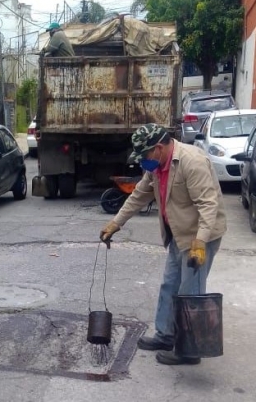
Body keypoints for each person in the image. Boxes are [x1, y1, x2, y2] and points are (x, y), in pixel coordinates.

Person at [99, 123, 227, 365]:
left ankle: (190, 349)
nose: (143, 162)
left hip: (201, 235)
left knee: (190, 292)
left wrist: (200, 243)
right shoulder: (156, 167)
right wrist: (115, 224)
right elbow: (139, 195)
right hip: (178, 234)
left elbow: (208, 206)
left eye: (145, 155)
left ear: (158, 148)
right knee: (170, 284)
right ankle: (166, 335)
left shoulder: (192, 161)